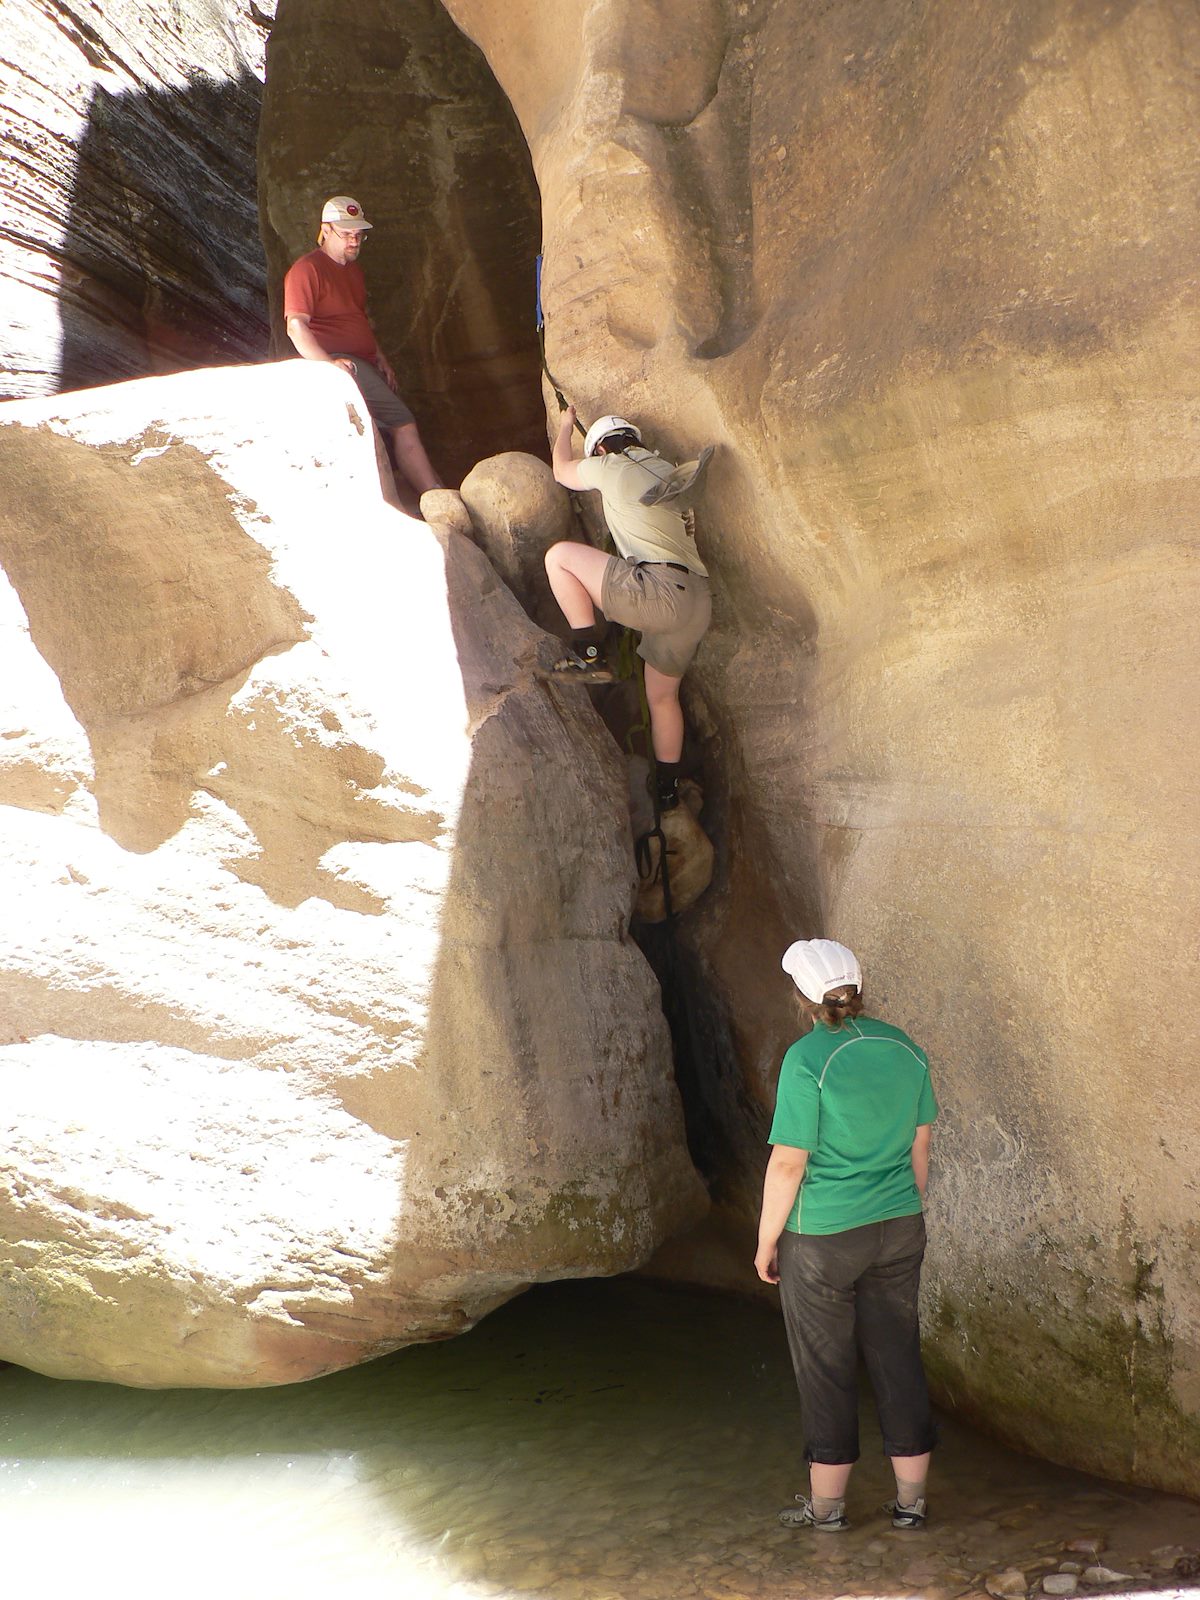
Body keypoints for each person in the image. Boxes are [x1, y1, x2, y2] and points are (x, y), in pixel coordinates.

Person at [755, 937, 939, 1533]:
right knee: (897, 1357)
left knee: (826, 1368)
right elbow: (920, 1145)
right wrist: (901, 1210)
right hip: (899, 1224)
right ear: (858, 987)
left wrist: (766, 1243)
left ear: (803, 997)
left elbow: (788, 1162)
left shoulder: (808, 1058)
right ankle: (911, 1505)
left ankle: (828, 1511)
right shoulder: (905, 1047)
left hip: (823, 1237)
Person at [547, 405, 711, 813]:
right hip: (697, 602)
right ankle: (668, 790)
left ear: (601, 448)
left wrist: (565, 425)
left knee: (559, 557)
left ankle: (589, 652)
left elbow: (561, 471)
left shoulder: (611, 466)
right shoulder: (668, 472)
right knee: (662, 697)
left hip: (657, 592)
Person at [283, 195, 443, 504]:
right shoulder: (307, 270)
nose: (354, 241)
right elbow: (296, 326)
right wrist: (330, 365)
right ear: (325, 230)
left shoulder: (353, 272)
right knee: (402, 421)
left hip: (362, 362)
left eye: (358, 235)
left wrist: (379, 356)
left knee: (380, 429)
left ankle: (418, 496)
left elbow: (356, 319)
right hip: (346, 365)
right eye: (346, 234)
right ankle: (436, 497)